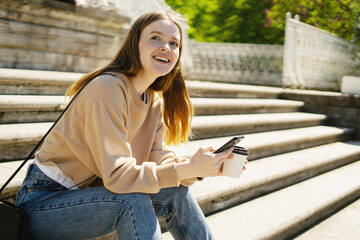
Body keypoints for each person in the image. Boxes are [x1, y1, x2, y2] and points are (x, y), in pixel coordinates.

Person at [16, 11, 243, 240]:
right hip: (44, 201)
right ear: (135, 44)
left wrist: (201, 167)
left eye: (173, 43)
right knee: (132, 200)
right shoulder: (108, 88)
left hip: (92, 197)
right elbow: (117, 175)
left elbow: (157, 157)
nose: (166, 47)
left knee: (176, 192)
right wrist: (186, 169)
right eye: (155, 38)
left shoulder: (153, 100)